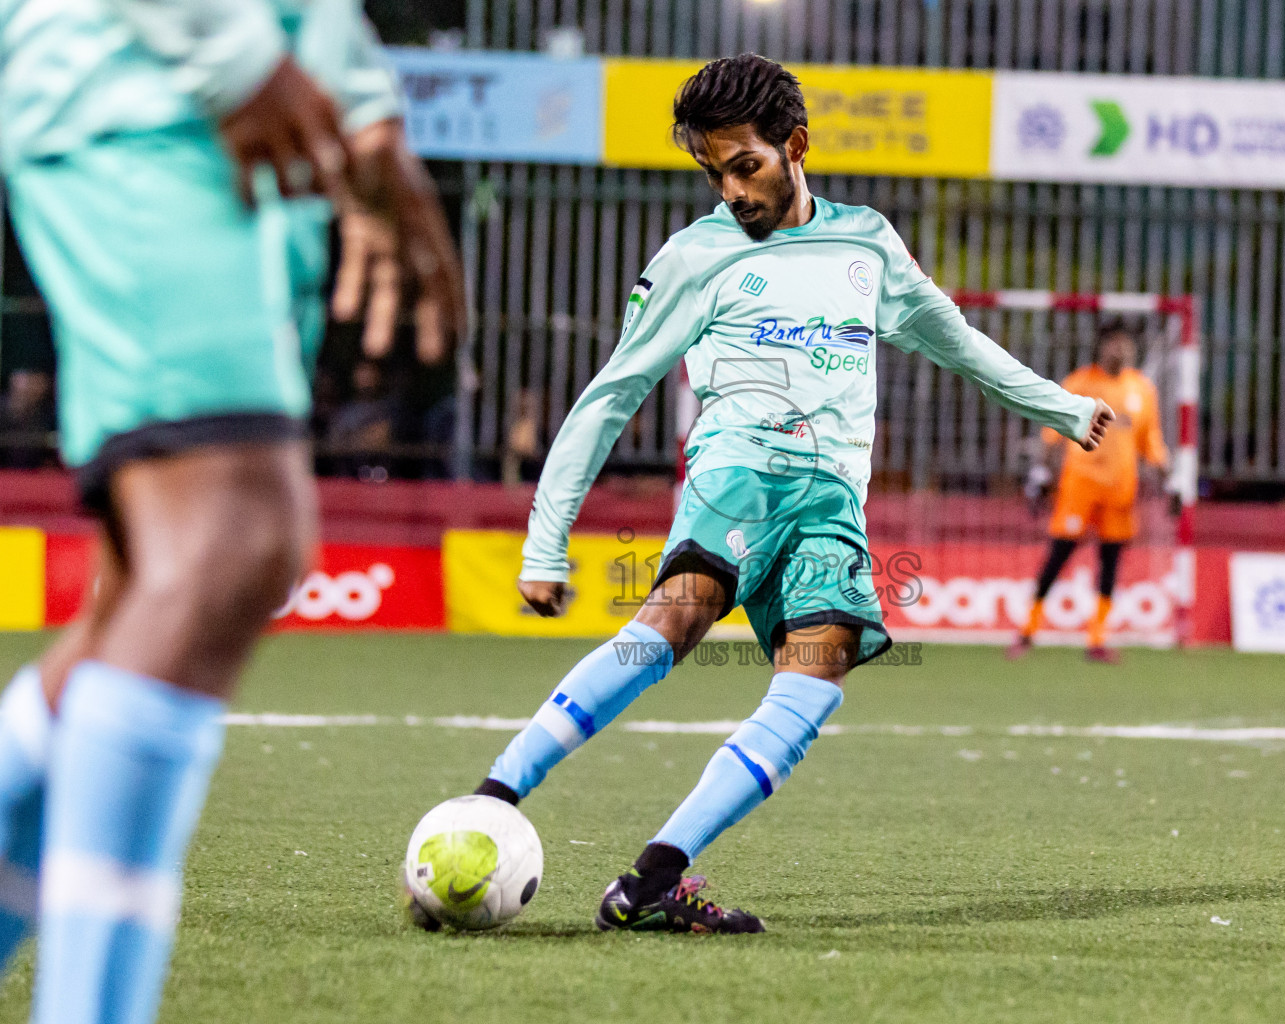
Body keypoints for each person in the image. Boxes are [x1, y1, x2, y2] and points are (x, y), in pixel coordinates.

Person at [445, 54, 1112, 935]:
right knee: (678, 619)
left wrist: (1059, 407)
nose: (731, 190)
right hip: (739, 468)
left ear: (795, 146)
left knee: (820, 667)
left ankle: (650, 885)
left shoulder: (867, 243)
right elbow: (612, 392)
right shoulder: (696, 255)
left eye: (744, 166)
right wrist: (545, 542)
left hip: (832, 499)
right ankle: (493, 797)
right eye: (714, 172)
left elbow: (956, 340)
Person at [0, 2, 463, 1022]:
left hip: (217, 104)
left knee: (133, 605)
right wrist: (234, 48)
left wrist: (363, 106)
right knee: (231, 538)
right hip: (154, 87)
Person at [1008, 320, 1168, 665]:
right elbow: (1052, 431)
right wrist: (1040, 472)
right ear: (1101, 347)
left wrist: (1166, 472)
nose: (1121, 349)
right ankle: (1026, 631)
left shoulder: (1142, 390)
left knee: (1110, 563)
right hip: (1079, 485)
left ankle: (1097, 639)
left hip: (1121, 490)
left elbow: (1150, 441)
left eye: (1126, 343)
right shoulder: (1080, 383)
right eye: (1114, 343)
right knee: (1057, 557)